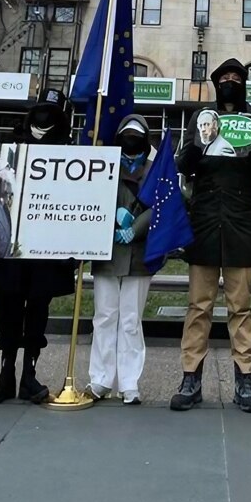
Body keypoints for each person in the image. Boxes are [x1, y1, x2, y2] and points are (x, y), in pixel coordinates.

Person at [171, 56, 251, 414]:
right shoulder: (200, 120)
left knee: (240, 307)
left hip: (240, 225)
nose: (230, 80)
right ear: (216, 82)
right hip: (203, 225)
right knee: (198, 306)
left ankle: (245, 381)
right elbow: (182, 165)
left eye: (236, 76)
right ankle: (190, 378)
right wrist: (201, 143)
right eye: (224, 77)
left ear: (244, 82)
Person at [0, 87, 76, 407]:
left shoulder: (70, 152)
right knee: (7, 309)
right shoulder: (11, 148)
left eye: (50, 113)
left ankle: (29, 374)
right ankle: (6, 373)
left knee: (37, 309)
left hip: (47, 248)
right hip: (11, 245)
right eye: (40, 112)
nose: (43, 118)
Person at [88, 112, 154, 404]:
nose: (131, 142)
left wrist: (136, 227)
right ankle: (101, 379)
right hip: (106, 250)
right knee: (104, 316)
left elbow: (163, 204)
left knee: (130, 319)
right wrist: (109, 220)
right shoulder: (104, 167)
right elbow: (91, 199)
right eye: (126, 136)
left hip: (139, 254)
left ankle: (129, 382)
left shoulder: (154, 170)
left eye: (136, 137)